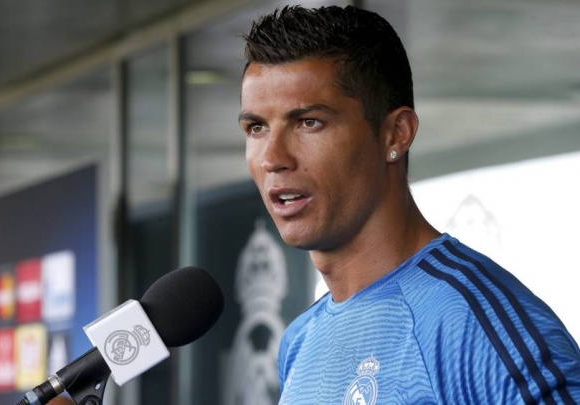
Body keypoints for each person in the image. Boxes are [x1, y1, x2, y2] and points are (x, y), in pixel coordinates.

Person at [239, 5, 580, 404]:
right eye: (256, 127)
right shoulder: (300, 340)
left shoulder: (473, 325)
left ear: (396, 134)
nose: (273, 157)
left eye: (309, 122)